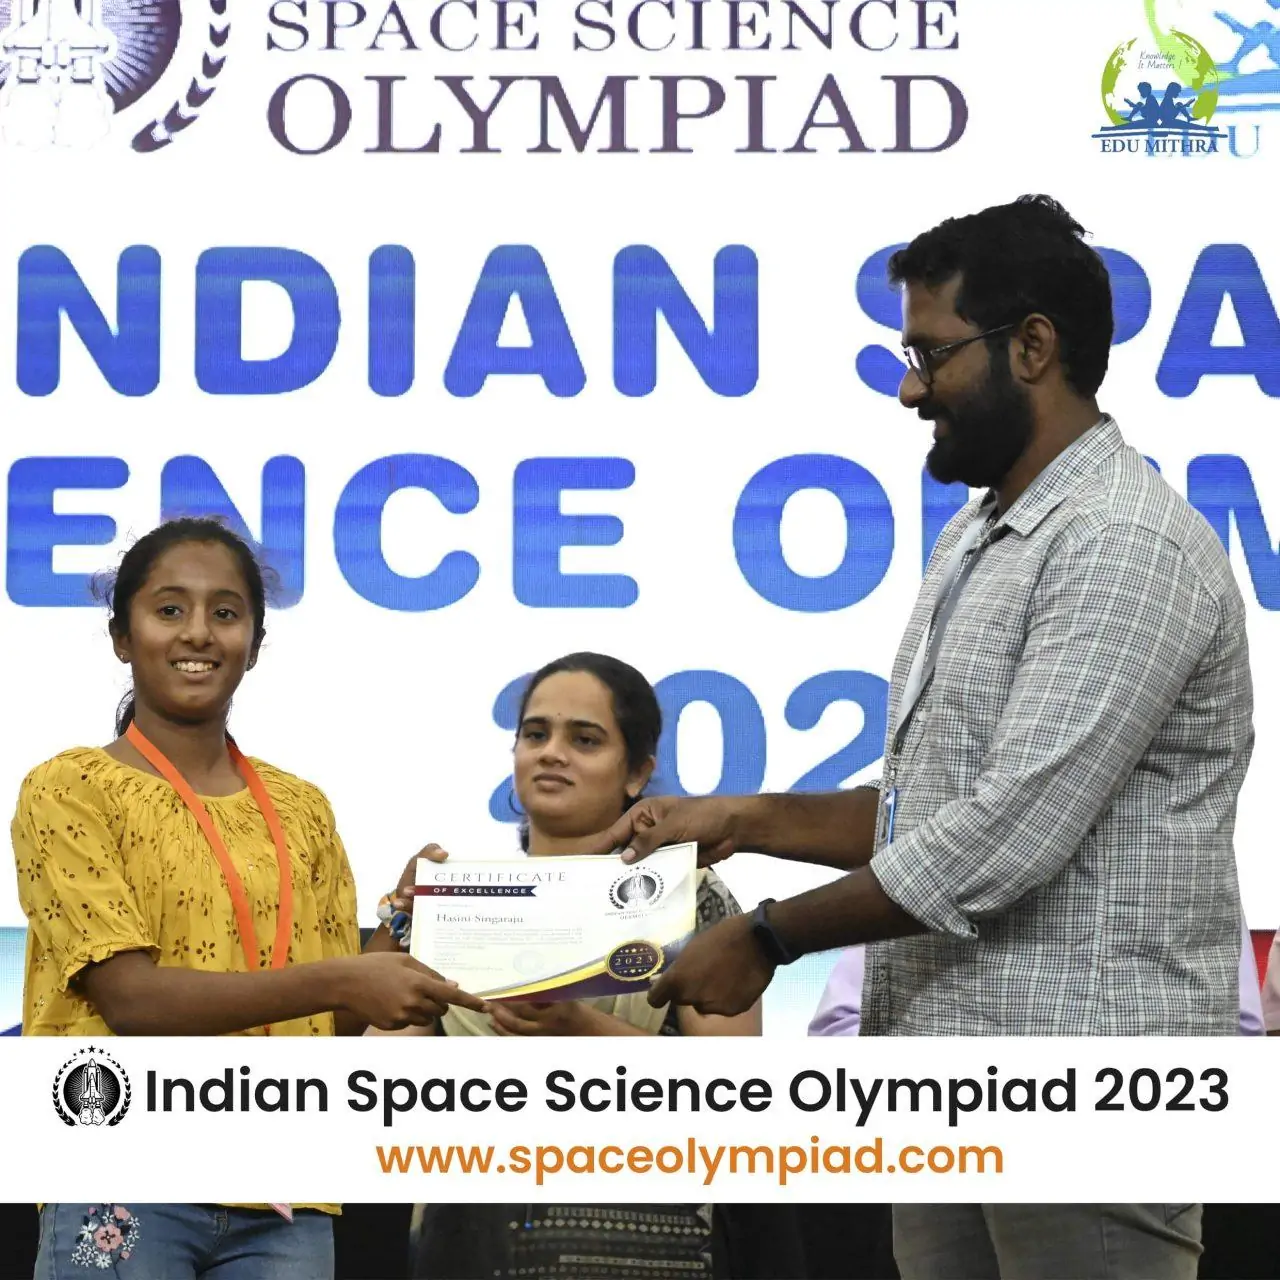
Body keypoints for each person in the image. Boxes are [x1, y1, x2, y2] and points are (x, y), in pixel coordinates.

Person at [580, 197, 1254, 1279]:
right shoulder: (979, 537)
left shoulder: (1123, 542)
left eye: (930, 354)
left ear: (1031, 347)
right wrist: (741, 817)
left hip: (1084, 1091)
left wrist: (766, 937)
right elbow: (930, 811)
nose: (908, 388)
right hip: (946, 1082)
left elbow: (1002, 836)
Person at [11, 517, 482, 1280]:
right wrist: (344, 978)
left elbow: (329, 1022)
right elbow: (130, 1000)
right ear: (122, 637)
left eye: (225, 613)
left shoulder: (302, 808)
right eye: (169, 609)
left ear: (255, 644)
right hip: (123, 1169)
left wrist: (400, 925)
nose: (198, 632)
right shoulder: (70, 789)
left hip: (282, 1192)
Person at [381, 652, 804, 1280]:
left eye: (584, 739)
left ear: (637, 773)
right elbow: (375, 1082)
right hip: (471, 1244)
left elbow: (739, 1096)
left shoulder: (687, 897)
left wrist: (584, 1031)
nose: (552, 753)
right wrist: (402, 926)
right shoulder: (459, 903)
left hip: (647, 1246)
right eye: (535, 734)